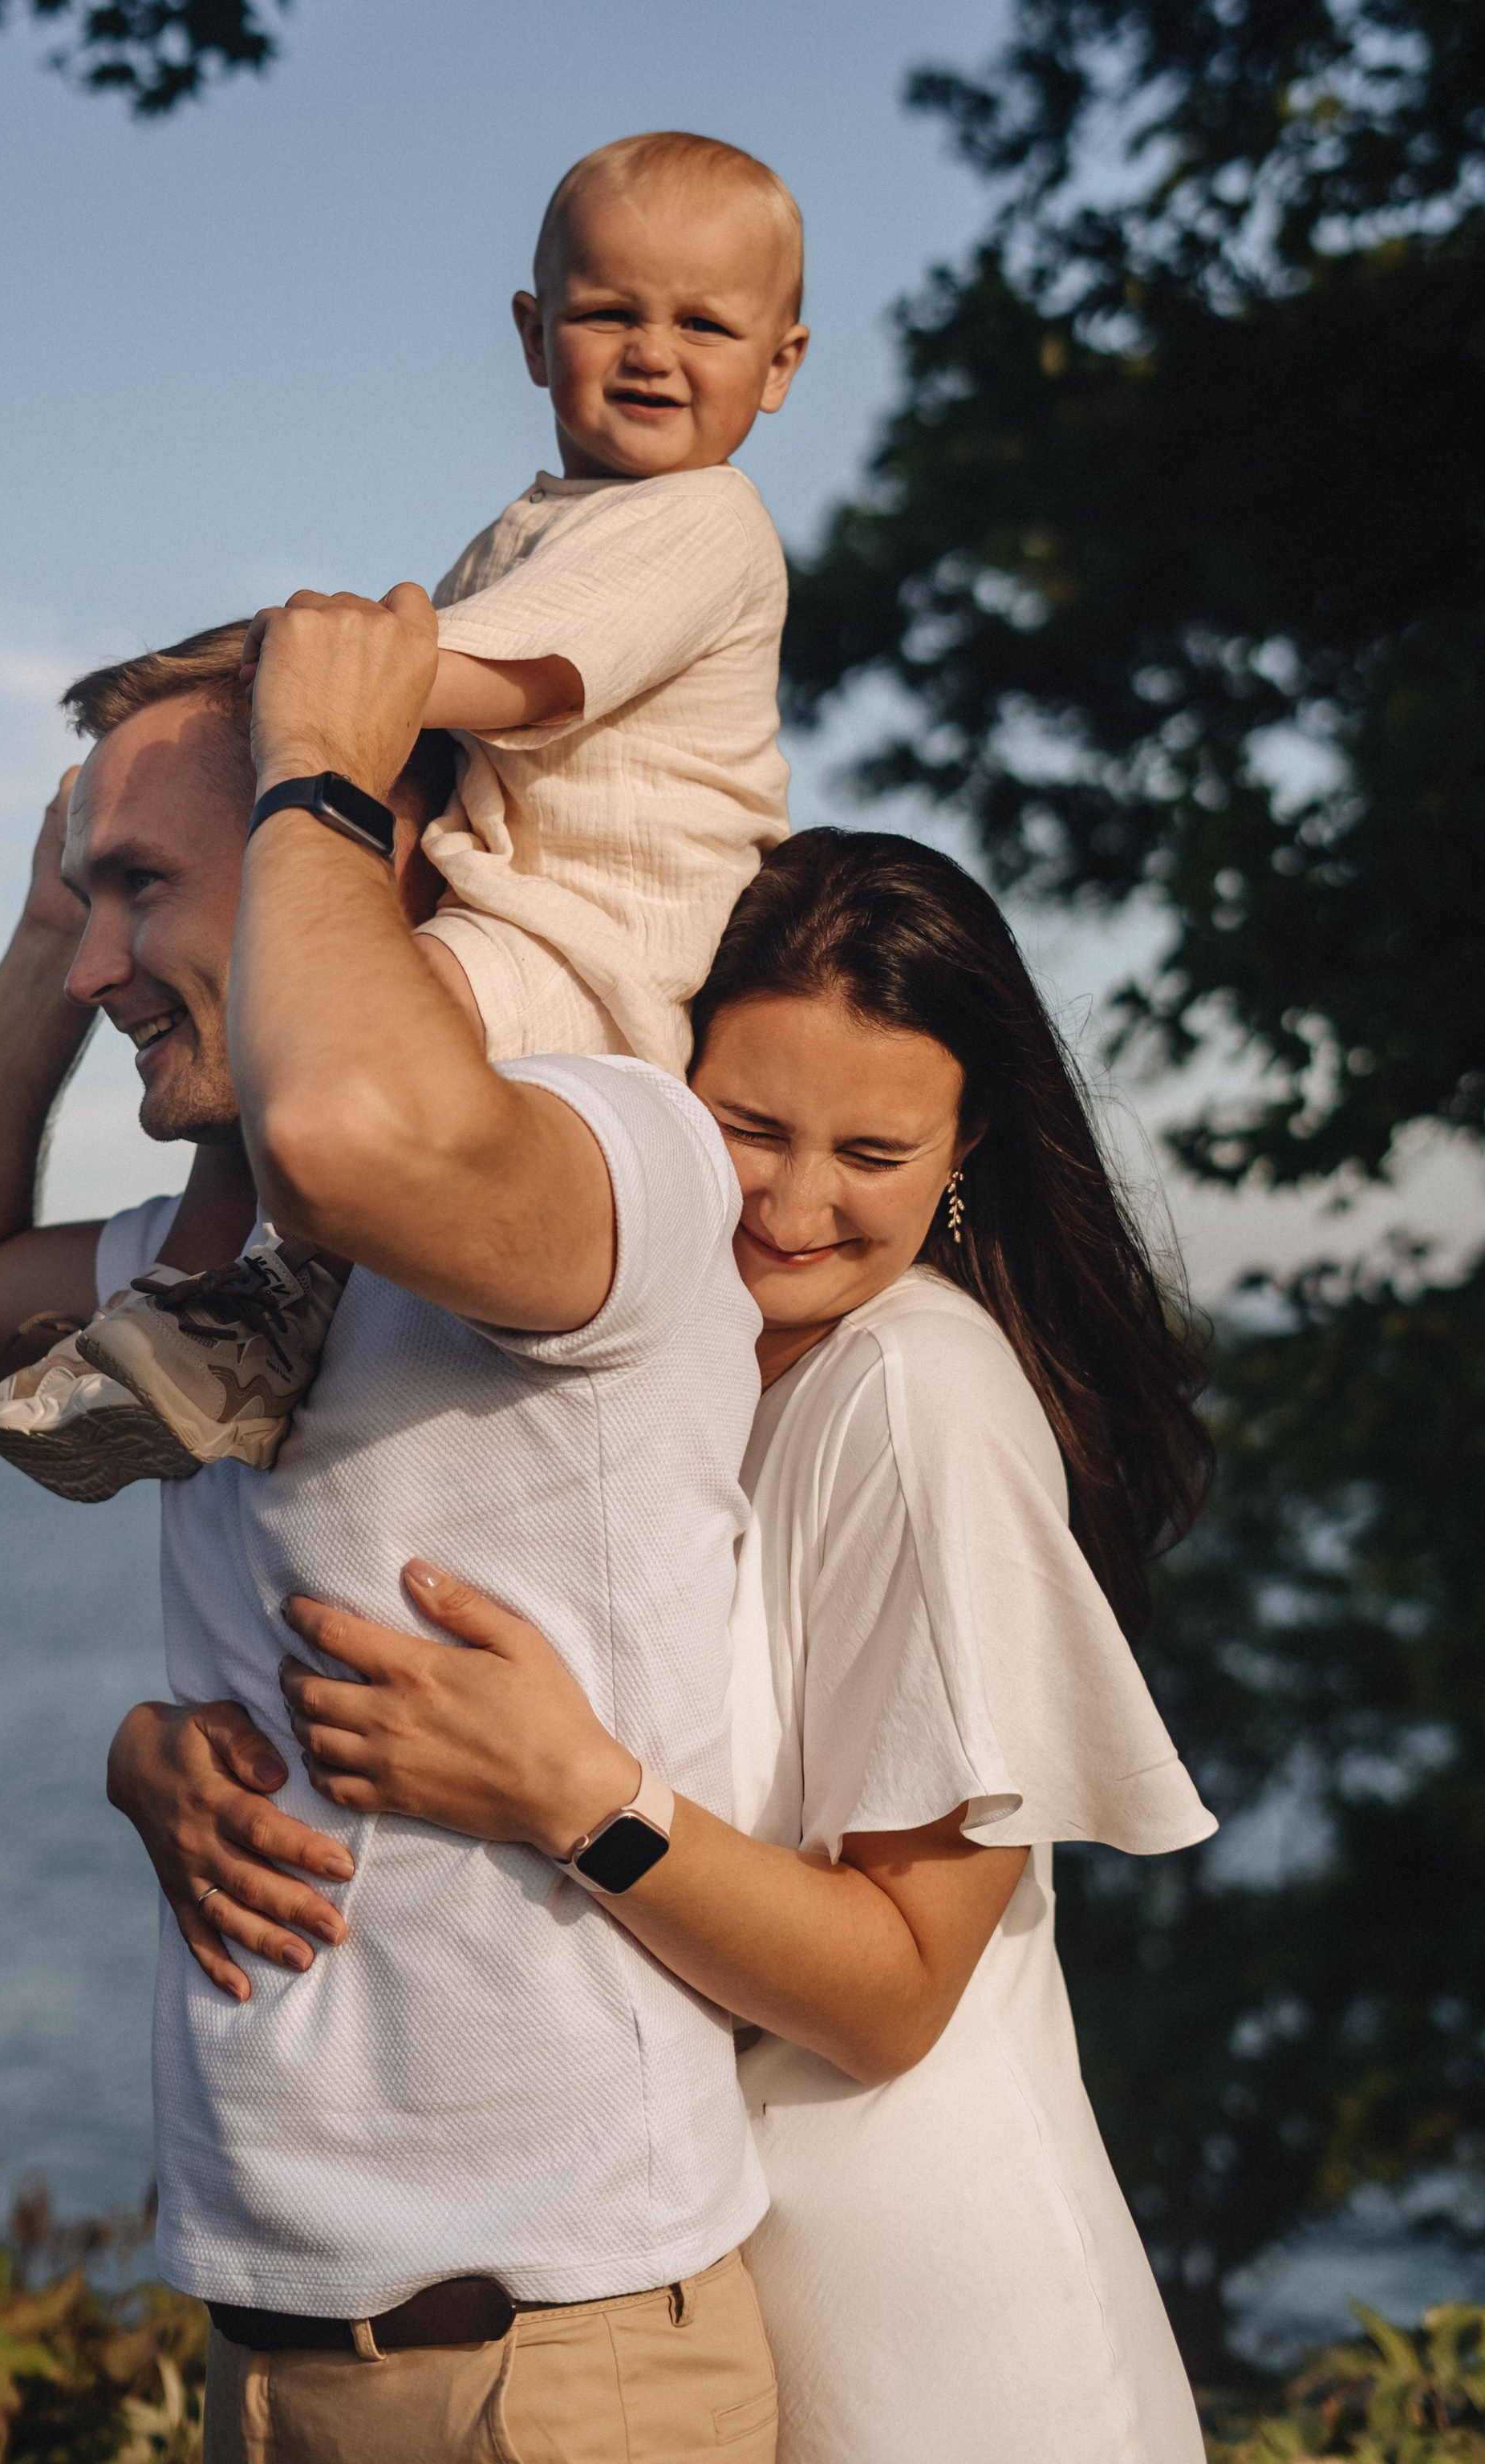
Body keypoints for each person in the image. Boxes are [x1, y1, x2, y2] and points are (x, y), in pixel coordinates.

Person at [116, 829, 1219, 2463]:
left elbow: (897, 1992)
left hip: (935, 2347)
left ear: (964, 1146)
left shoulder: (909, 1393)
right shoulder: (666, 1383)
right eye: (747, 1126)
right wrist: (156, 1749)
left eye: (871, 1149)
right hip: (705, 2294)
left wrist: (583, 1801)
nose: (789, 1203)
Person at [0, 588, 782, 2464]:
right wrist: (44, 934)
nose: (103, 961)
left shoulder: (604, 1153)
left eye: (142, 889)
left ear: (353, 837)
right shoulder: (213, 1255)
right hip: (270, 2345)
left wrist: (326, 781)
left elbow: (358, 1130)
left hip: (557, 2361)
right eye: (81, 896)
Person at [0, 128, 806, 1504]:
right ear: (536, 336)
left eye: (704, 325)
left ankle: (216, 1321)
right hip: (509, 912)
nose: (654, 352)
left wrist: (318, 683)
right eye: (609, 314)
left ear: (779, 369)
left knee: (312, 1026)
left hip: (601, 944)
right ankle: (210, 1311)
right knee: (273, 1039)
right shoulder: (526, 528)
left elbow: (527, 677)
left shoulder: (705, 521)